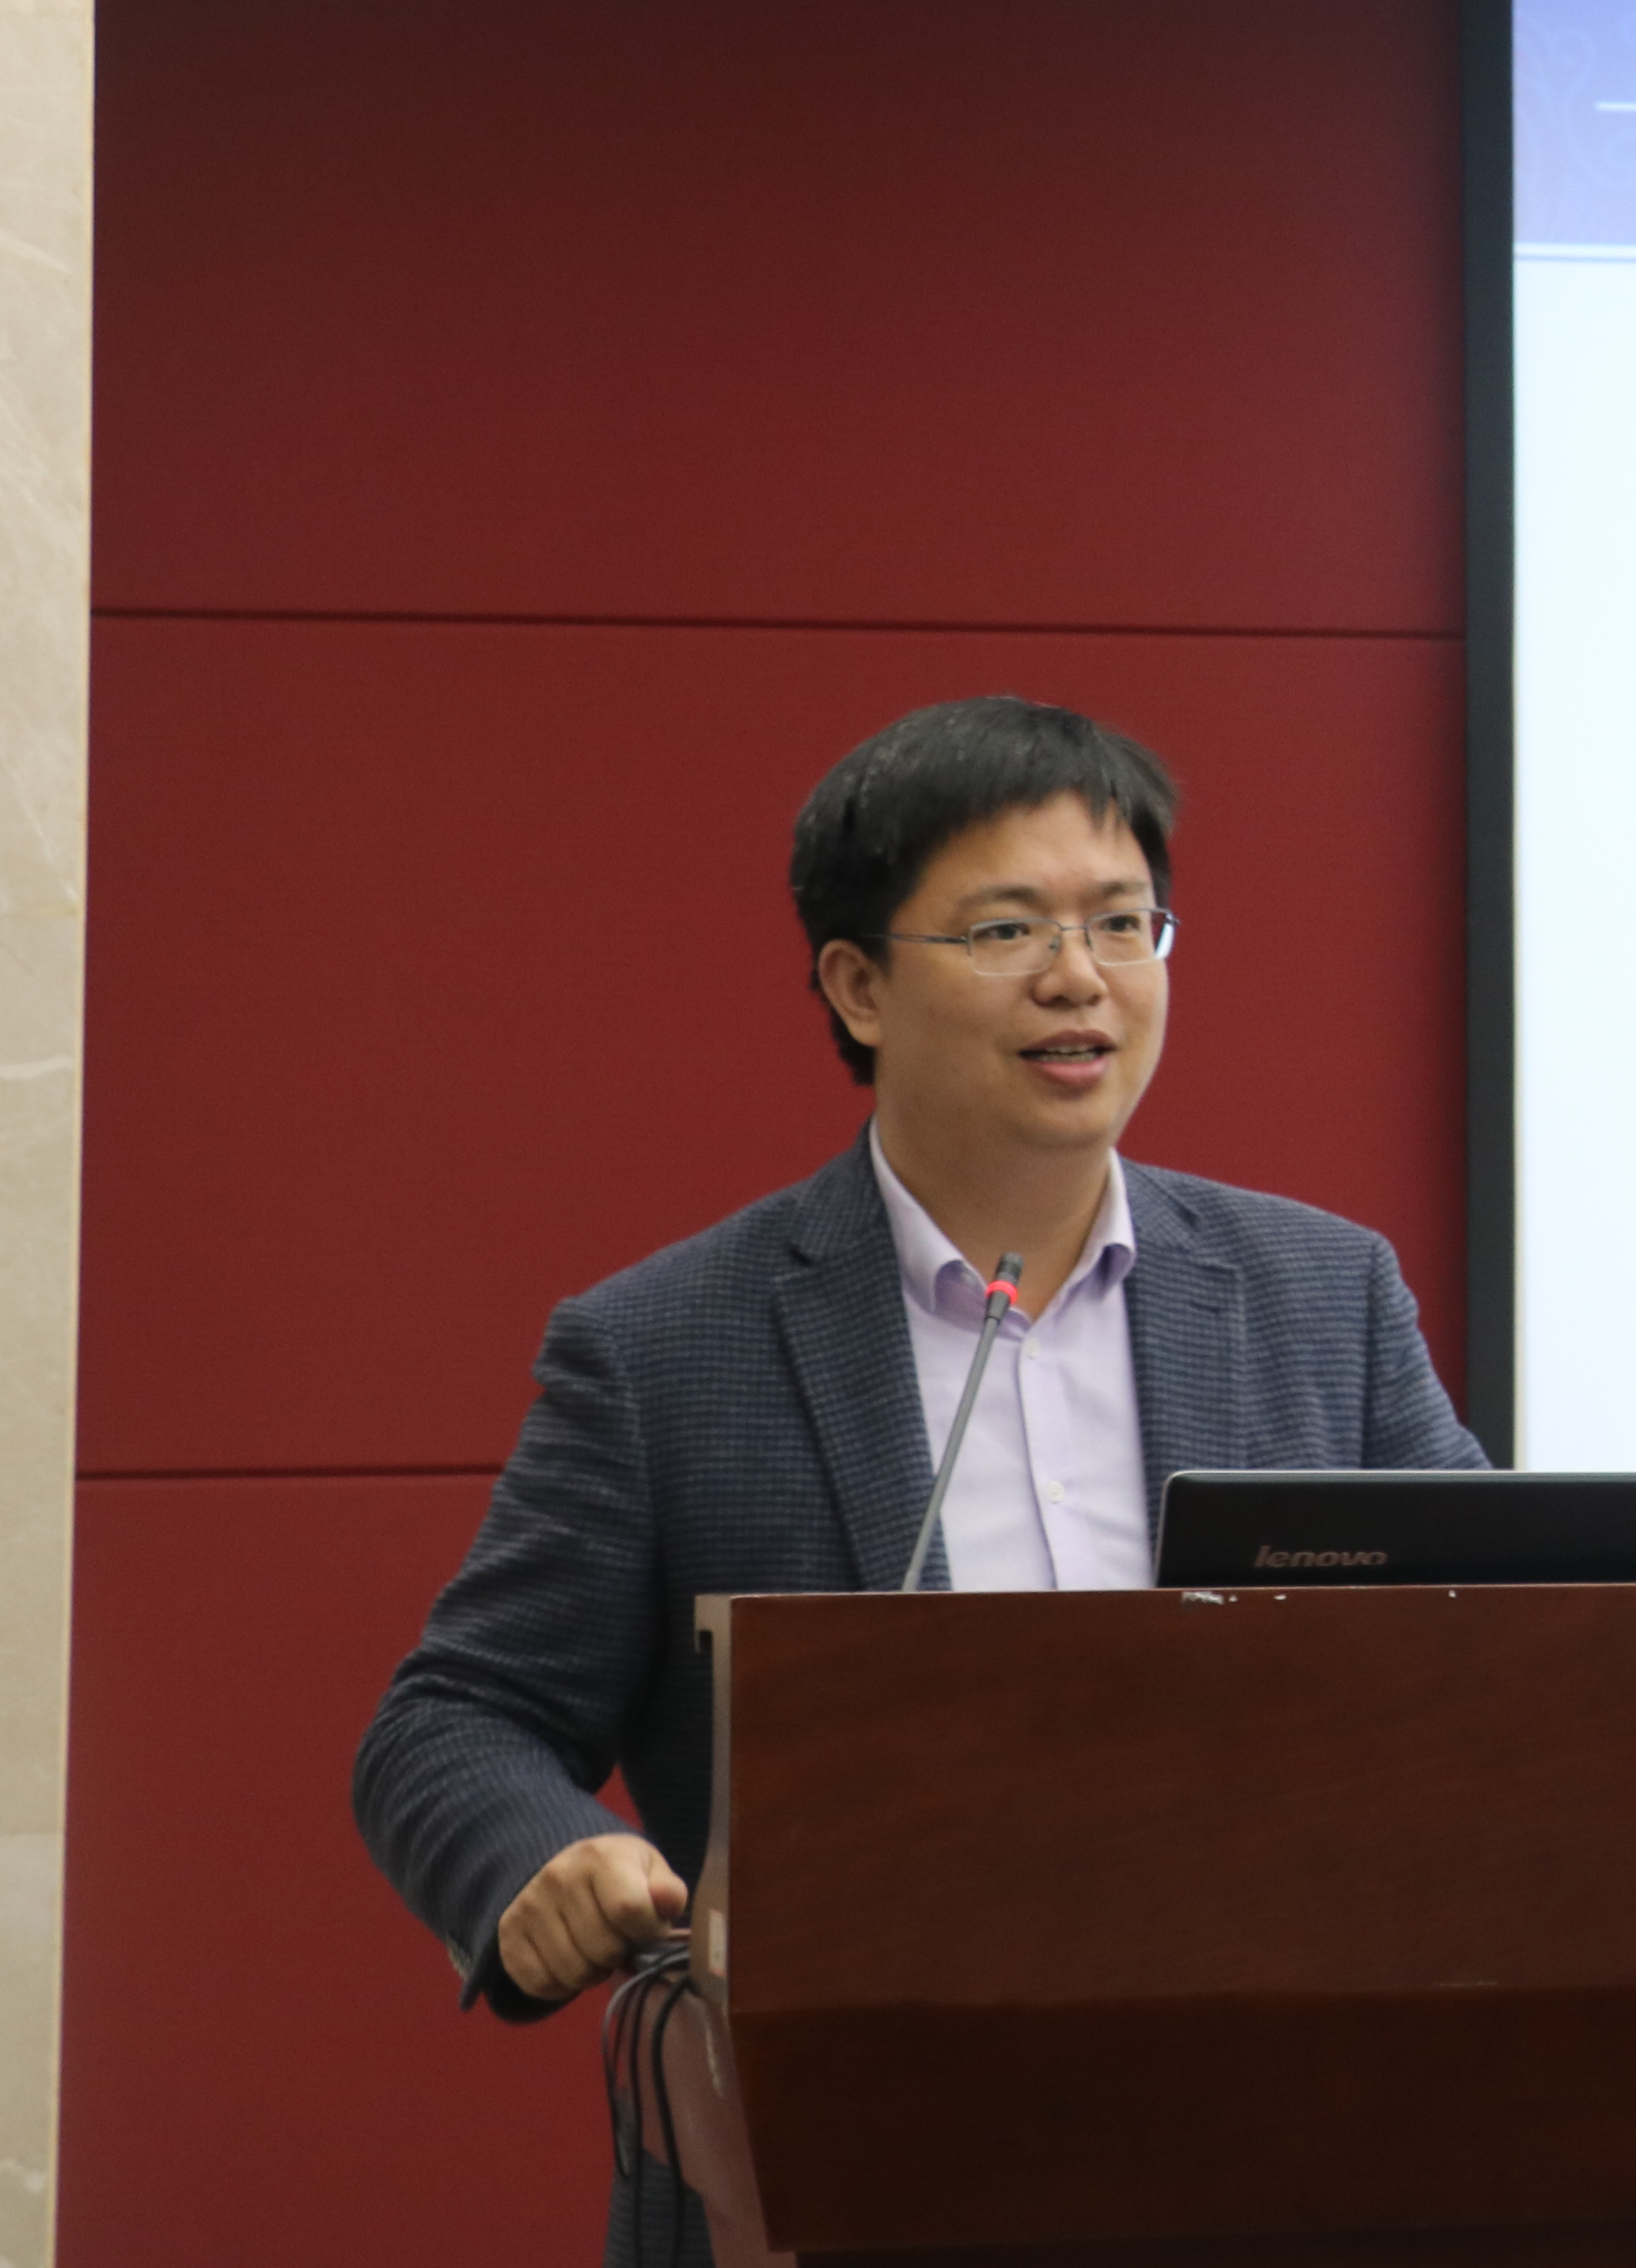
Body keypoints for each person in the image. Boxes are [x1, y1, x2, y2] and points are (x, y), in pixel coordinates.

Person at [353, 697, 1486, 2254]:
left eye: (1122, 921)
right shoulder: (669, 1346)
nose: (1080, 975)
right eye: (1008, 928)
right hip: (842, 2167)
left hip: (1282, 2155)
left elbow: (1501, 1651)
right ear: (859, 983)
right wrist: (545, 1855)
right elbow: (450, 1718)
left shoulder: (1321, 1293)